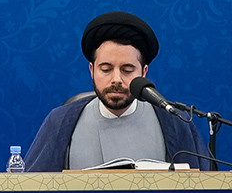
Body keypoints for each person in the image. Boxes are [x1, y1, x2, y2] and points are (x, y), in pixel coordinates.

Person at [24, 11, 211, 171]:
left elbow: (200, 192)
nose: (116, 80)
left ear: (143, 72)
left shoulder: (175, 122)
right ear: (92, 70)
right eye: (106, 69)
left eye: (127, 70)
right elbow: (32, 191)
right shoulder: (60, 122)